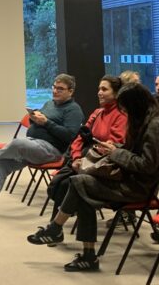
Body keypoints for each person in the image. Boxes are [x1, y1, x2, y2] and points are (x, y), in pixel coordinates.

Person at [25, 83, 159, 272]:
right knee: (81, 186)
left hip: (140, 188)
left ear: (135, 105)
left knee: (80, 183)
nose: (125, 112)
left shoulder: (156, 127)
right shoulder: (144, 120)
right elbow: (134, 153)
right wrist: (115, 149)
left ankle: (58, 230)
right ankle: (84, 253)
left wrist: (116, 153)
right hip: (128, 178)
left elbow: (147, 166)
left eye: (126, 108)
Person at [0, 74, 83, 218]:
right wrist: (34, 118)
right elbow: (35, 122)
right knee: (2, 163)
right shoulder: (49, 103)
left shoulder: (74, 110)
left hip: (51, 151)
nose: (55, 91)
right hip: (31, 145)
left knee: (18, 143)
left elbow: (70, 136)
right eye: (54, 87)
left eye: (60, 89)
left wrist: (46, 122)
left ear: (70, 91)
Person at [45, 75, 127, 217]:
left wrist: (84, 160)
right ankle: (56, 223)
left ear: (116, 93)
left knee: (66, 183)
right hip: (83, 160)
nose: (99, 92)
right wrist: (77, 157)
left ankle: (56, 223)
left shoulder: (121, 115)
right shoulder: (98, 113)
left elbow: (111, 147)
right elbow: (79, 138)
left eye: (104, 89)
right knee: (58, 183)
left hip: (101, 165)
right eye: (99, 89)